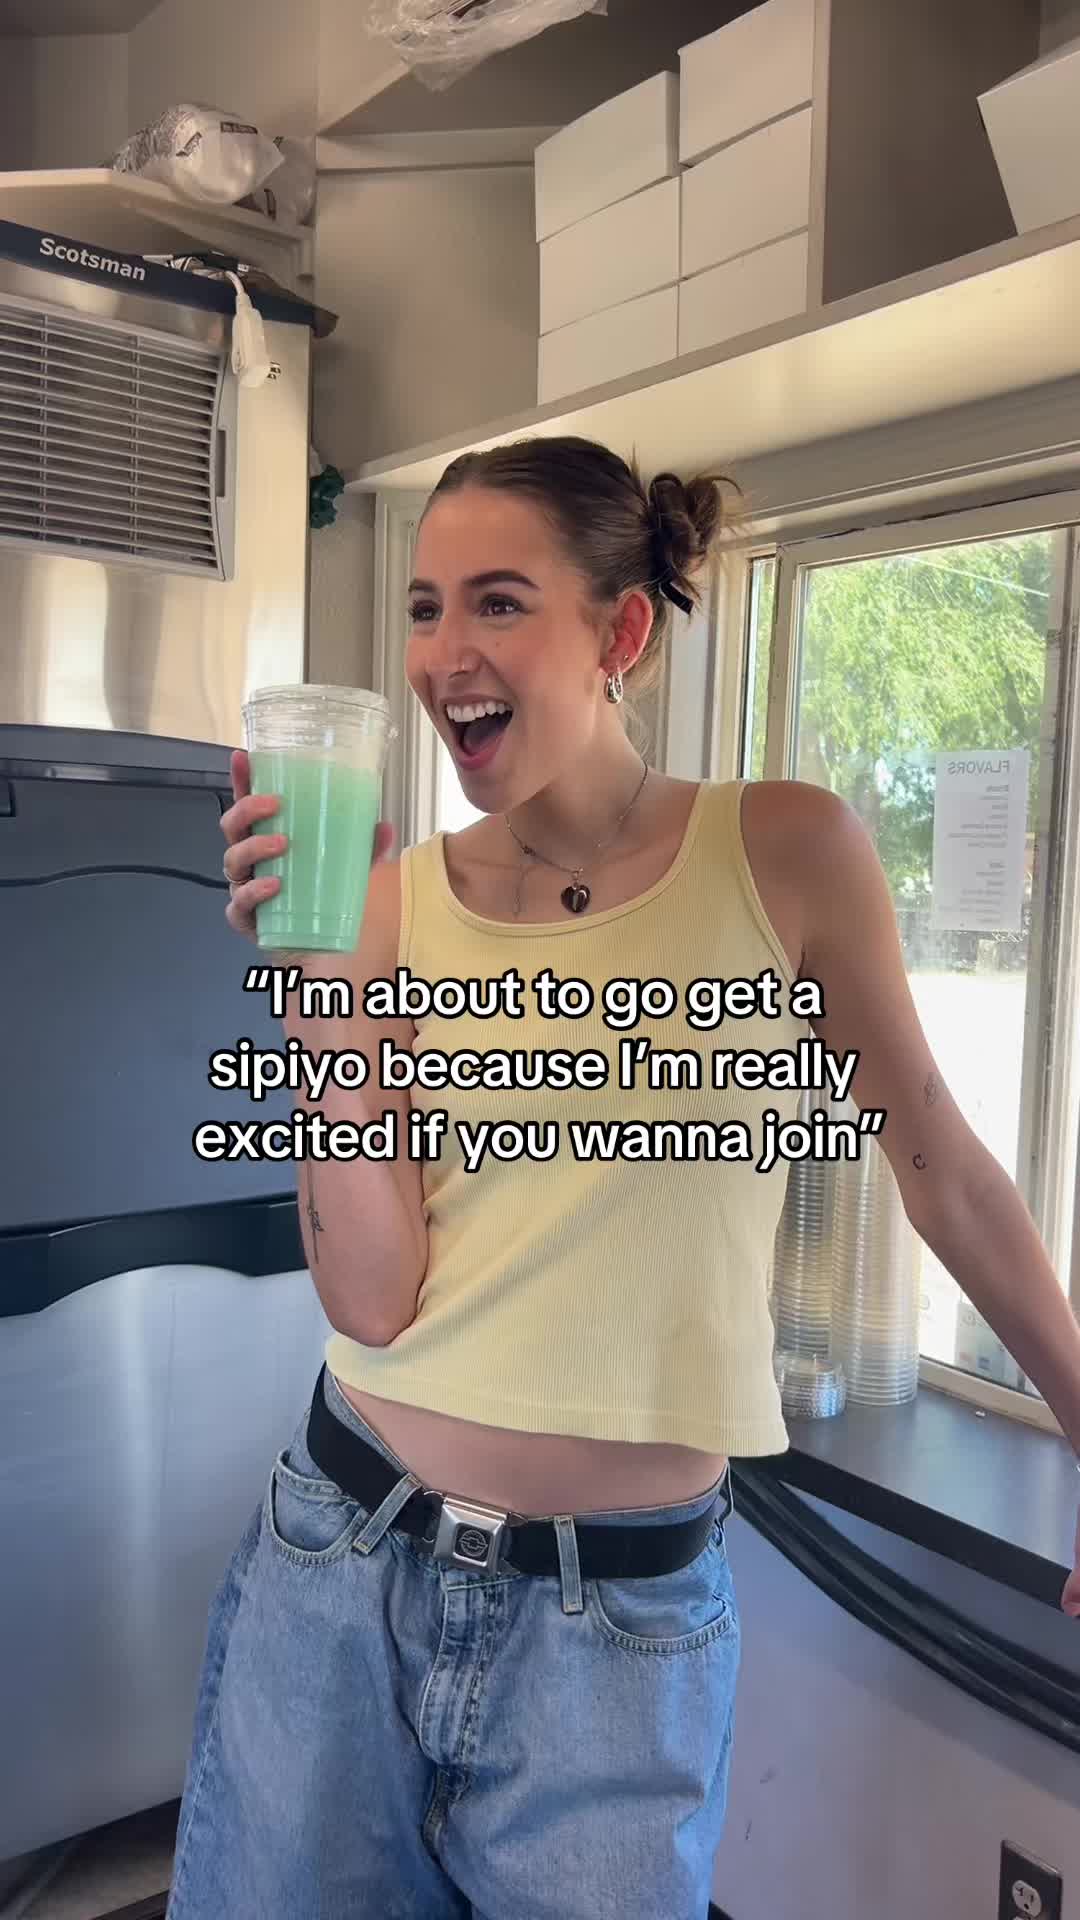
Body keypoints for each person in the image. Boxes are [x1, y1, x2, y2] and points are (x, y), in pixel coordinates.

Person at [167, 436, 1080, 1920]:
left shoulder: (783, 852)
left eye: (499, 601)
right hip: (342, 1565)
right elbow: (373, 1298)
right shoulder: (386, 901)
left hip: (619, 1633)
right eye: (424, 608)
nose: (444, 652)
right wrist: (321, 1000)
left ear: (622, 633)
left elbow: (947, 1170)